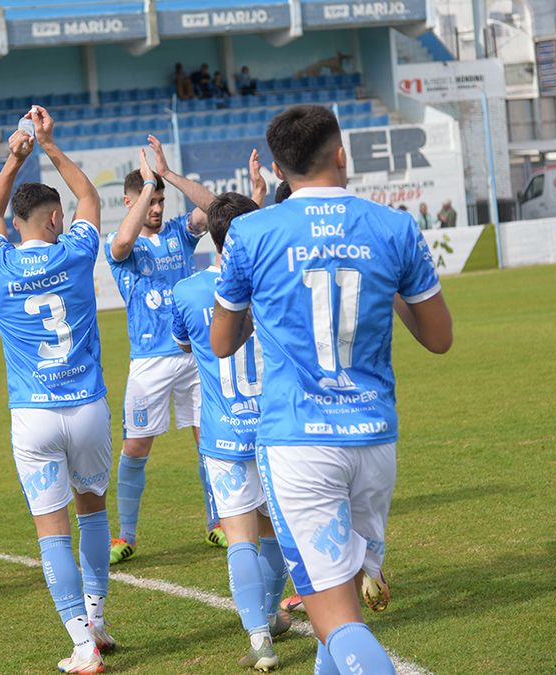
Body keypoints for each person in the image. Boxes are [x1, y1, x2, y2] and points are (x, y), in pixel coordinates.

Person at [209, 104, 452, 675]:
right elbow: (439, 338)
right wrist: (384, 281)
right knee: (340, 608)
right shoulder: (394, 226)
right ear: (341, 154)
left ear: (277, 168)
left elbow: (222, 342)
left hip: (298, 441)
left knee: (336, 618)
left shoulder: (250, 231)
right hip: (373, 438)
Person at [0, 105, 113, 674]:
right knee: (93, 513)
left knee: (51, 531)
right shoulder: (76, 252)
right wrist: (51, 145)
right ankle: (99, 620)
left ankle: (82, 645)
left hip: (33, 414)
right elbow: (91, 198)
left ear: (18, 224)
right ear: (56, 219)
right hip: (86, 407)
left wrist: (17, 155)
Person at [171, 176, 291, 672]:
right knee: (278, 533)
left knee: (240, 536)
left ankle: (260, 639)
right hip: (278, 429)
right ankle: (273, 612)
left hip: (224, 433)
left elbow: (185, 344)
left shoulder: (186, 291)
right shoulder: (277, 285)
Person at [106, 133, 220, 565]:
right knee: (136, 449)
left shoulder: (179, 233)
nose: (156, 208)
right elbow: (122, 245)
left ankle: (218, 522)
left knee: (208, 440)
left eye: (159, 202)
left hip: (193, 356)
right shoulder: (121, 244)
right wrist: (148, 185)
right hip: (149, 362)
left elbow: (214, 208)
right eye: (149, 201)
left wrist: (167, 174)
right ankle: (126, 534)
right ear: (130, 202)